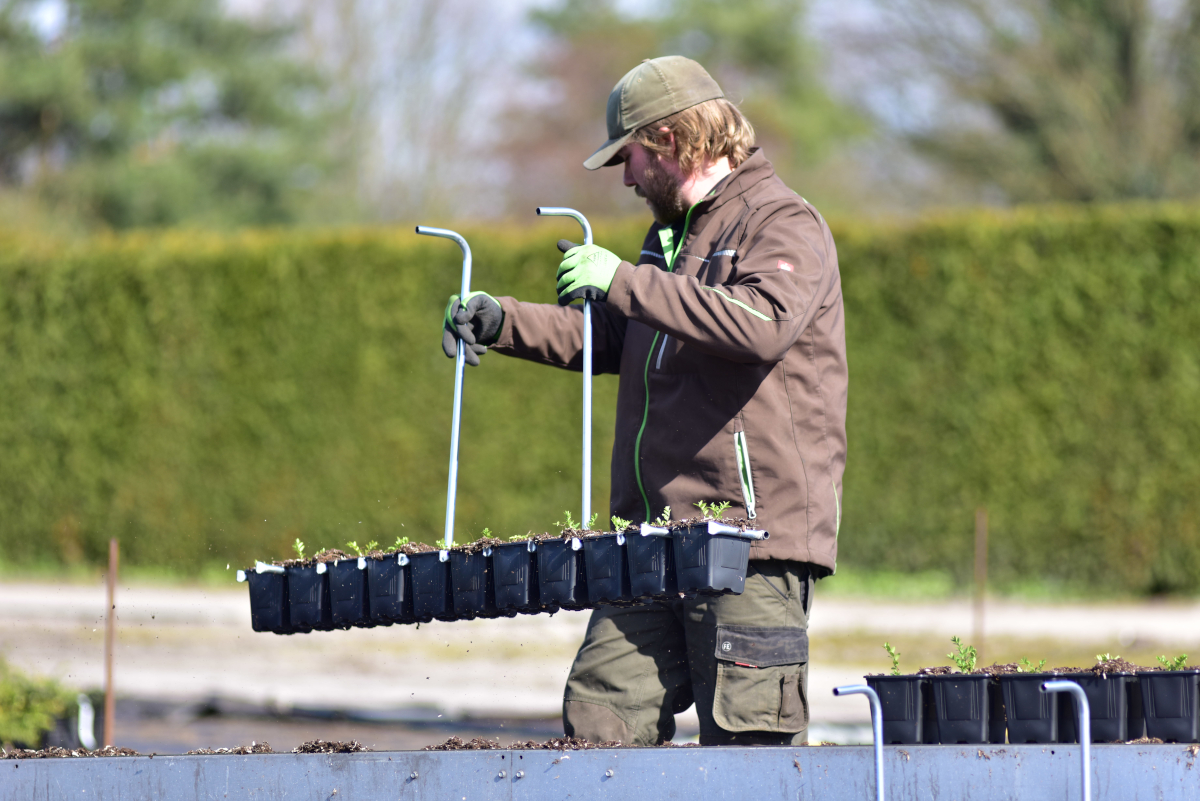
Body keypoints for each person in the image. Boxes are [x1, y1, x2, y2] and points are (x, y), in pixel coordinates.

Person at [441, 56, 847, 746]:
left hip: (749, 546)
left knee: (750, 755)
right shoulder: (671, 241)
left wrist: (624, 281)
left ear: (671, 140)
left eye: (627, 158)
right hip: (650, 541)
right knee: (600, 719)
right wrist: (501, 319)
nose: (625, 179)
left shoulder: (782, 222)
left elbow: (760, 324)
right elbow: (612, 337)